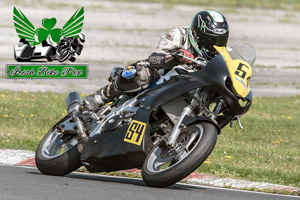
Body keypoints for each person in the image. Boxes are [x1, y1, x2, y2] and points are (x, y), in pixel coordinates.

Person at [83, 10, 229, 111]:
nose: (215, 46)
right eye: (210, 40)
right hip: (162, 77)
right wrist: (176, 55)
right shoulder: (179, 35)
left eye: (220, 41)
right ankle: (99, 97)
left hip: (187, 87)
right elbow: (155, 58)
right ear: (198, 35)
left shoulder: (220, 56)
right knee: (140, 73)